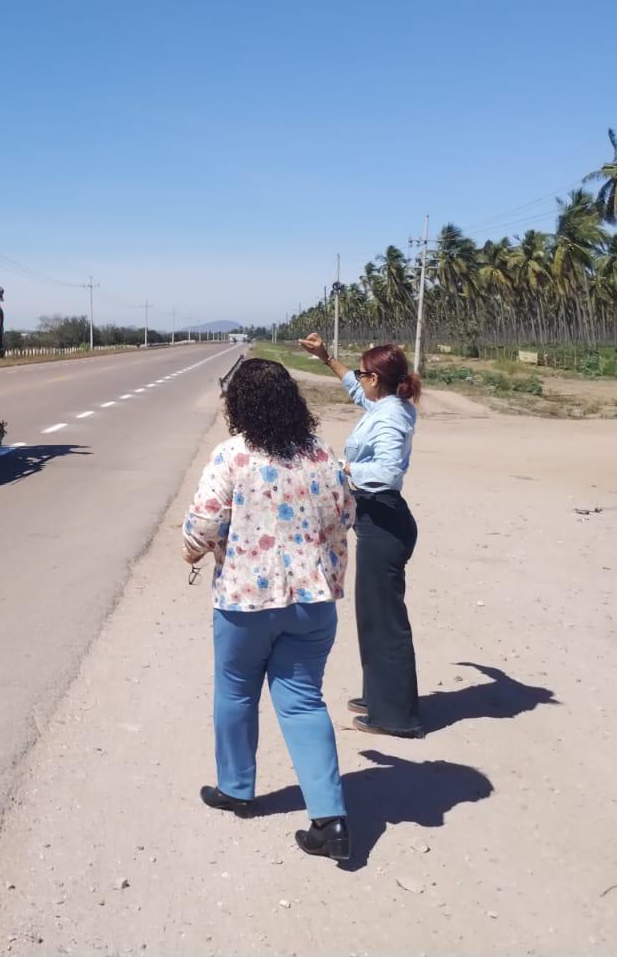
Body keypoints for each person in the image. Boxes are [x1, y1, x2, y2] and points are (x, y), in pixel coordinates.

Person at [183, 358, 356, 861]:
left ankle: (237, 791)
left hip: (245, 602)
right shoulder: (322, 453)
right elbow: (348, 513)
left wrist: (191, 549)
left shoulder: (232, 456)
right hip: (313, 601)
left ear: (238, 405)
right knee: (303, 702)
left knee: (236, 694)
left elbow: (204, 524)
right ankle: (331, 821)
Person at [298, 333, 423, 739]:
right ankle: (379, 697)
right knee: (373, 617)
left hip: (385, 523)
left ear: (377, 379)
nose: (360, 380)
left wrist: (345, 470)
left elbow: (387, 474)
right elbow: (355, 391)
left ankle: (397, 716)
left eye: (364, 372)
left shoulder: (389, 416)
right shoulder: (386, 405)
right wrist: (326, 358)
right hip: (376, 522)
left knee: (386, 621)